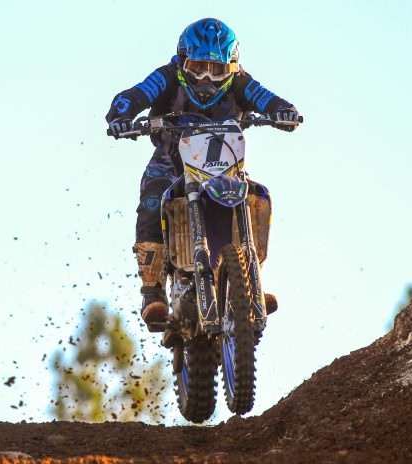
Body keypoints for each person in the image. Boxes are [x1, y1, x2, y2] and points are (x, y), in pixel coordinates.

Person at [106, 18, 299, 329]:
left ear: (231, 68)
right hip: (170, 161)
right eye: (198, 67)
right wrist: (122, 115)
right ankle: (152, 291)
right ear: (183, 61)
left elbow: (266, 97)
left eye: (217, 69)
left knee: (255, 197)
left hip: (226, 164)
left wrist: (283, 111)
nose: (207, 78)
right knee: (153, 201)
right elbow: (134, 95)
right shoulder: (167, 76)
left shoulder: (241, 82)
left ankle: (253, 280)